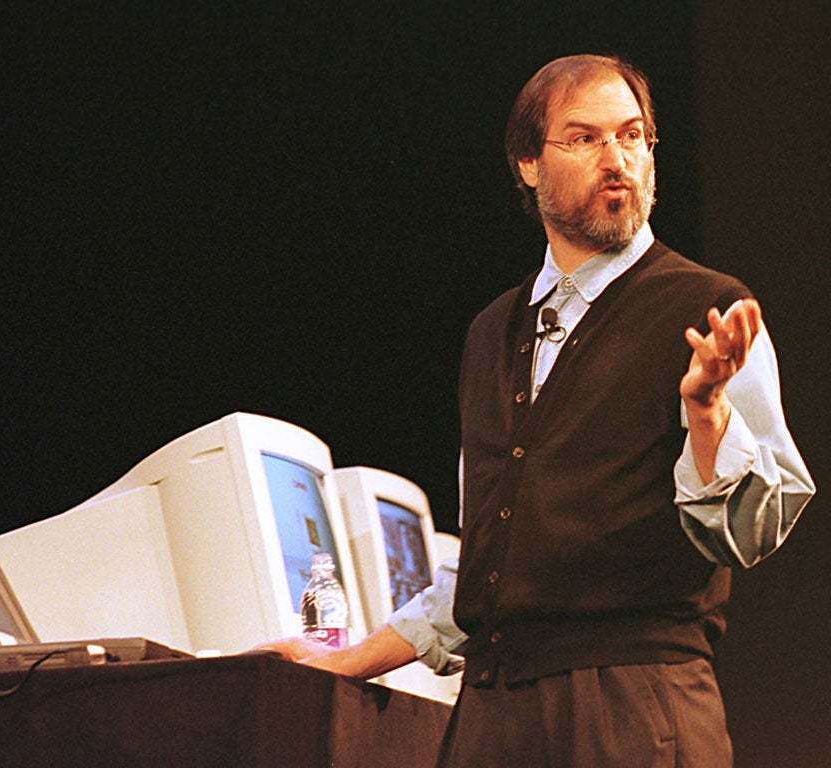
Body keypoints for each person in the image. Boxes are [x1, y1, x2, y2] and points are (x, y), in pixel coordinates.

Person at [260, 54, 815, 767]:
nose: (616, 158)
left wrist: (706, 414)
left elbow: (753, 530)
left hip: (630, 708)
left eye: (633, 136)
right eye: (584, 138)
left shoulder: (708, 309)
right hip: (496, 714)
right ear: (527, 163)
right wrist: (343, 661)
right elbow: (488, 565)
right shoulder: (493, 331)